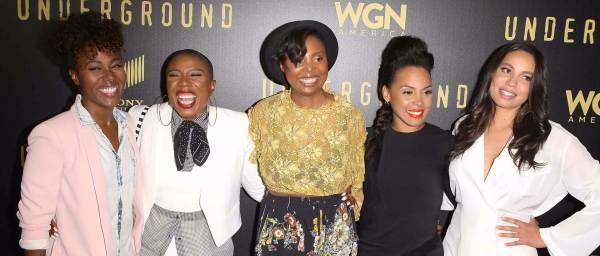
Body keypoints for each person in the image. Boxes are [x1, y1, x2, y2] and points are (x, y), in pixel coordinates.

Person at [443, 42, 600, 256]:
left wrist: (547, 237)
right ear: (492, 73)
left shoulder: (552, 139)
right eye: (506, 70)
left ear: (534, 86)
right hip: (456, 246)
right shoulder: (465, 126)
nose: (511, 83)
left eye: (526, 77)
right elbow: (446, 189)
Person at [18, 11, 143, 255]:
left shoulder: (130, 123)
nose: (109, 76)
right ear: (75, 75)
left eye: (115, 65)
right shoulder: (51, 136)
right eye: (95, 68)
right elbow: (34, 230)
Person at [128, 49, 264, 256]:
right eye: (174, 75)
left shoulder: (238, 125)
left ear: (212, 86)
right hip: (148, 241)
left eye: (195, 75)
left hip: (209, 244)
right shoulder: (141, 118)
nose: (184, 83)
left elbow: (259, 189)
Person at [250, 20, 366, 255]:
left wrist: (354, 201)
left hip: (335, 224)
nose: (309, 69)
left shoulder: (349, 115)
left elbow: (357, 176)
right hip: (280, 222)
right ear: (283, 65)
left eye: (318, 58)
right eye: (297, 60)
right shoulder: (263, 114)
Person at [357, 36, 454, 255]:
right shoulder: (364, 141)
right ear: (386, 93)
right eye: (408, 92)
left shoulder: (446, 142)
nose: (419, 102)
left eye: (426, 91)